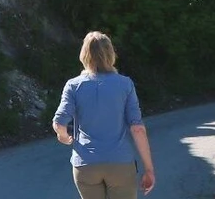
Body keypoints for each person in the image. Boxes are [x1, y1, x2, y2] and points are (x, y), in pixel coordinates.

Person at [51, 32, 156, 198]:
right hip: (120, 162)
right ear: (111, 54)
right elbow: (137, 129)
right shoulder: (125, 84)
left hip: (85, 165)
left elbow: (59, 123)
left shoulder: (73, 85)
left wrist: (63, 136)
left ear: (84, 55)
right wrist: (149, 169)